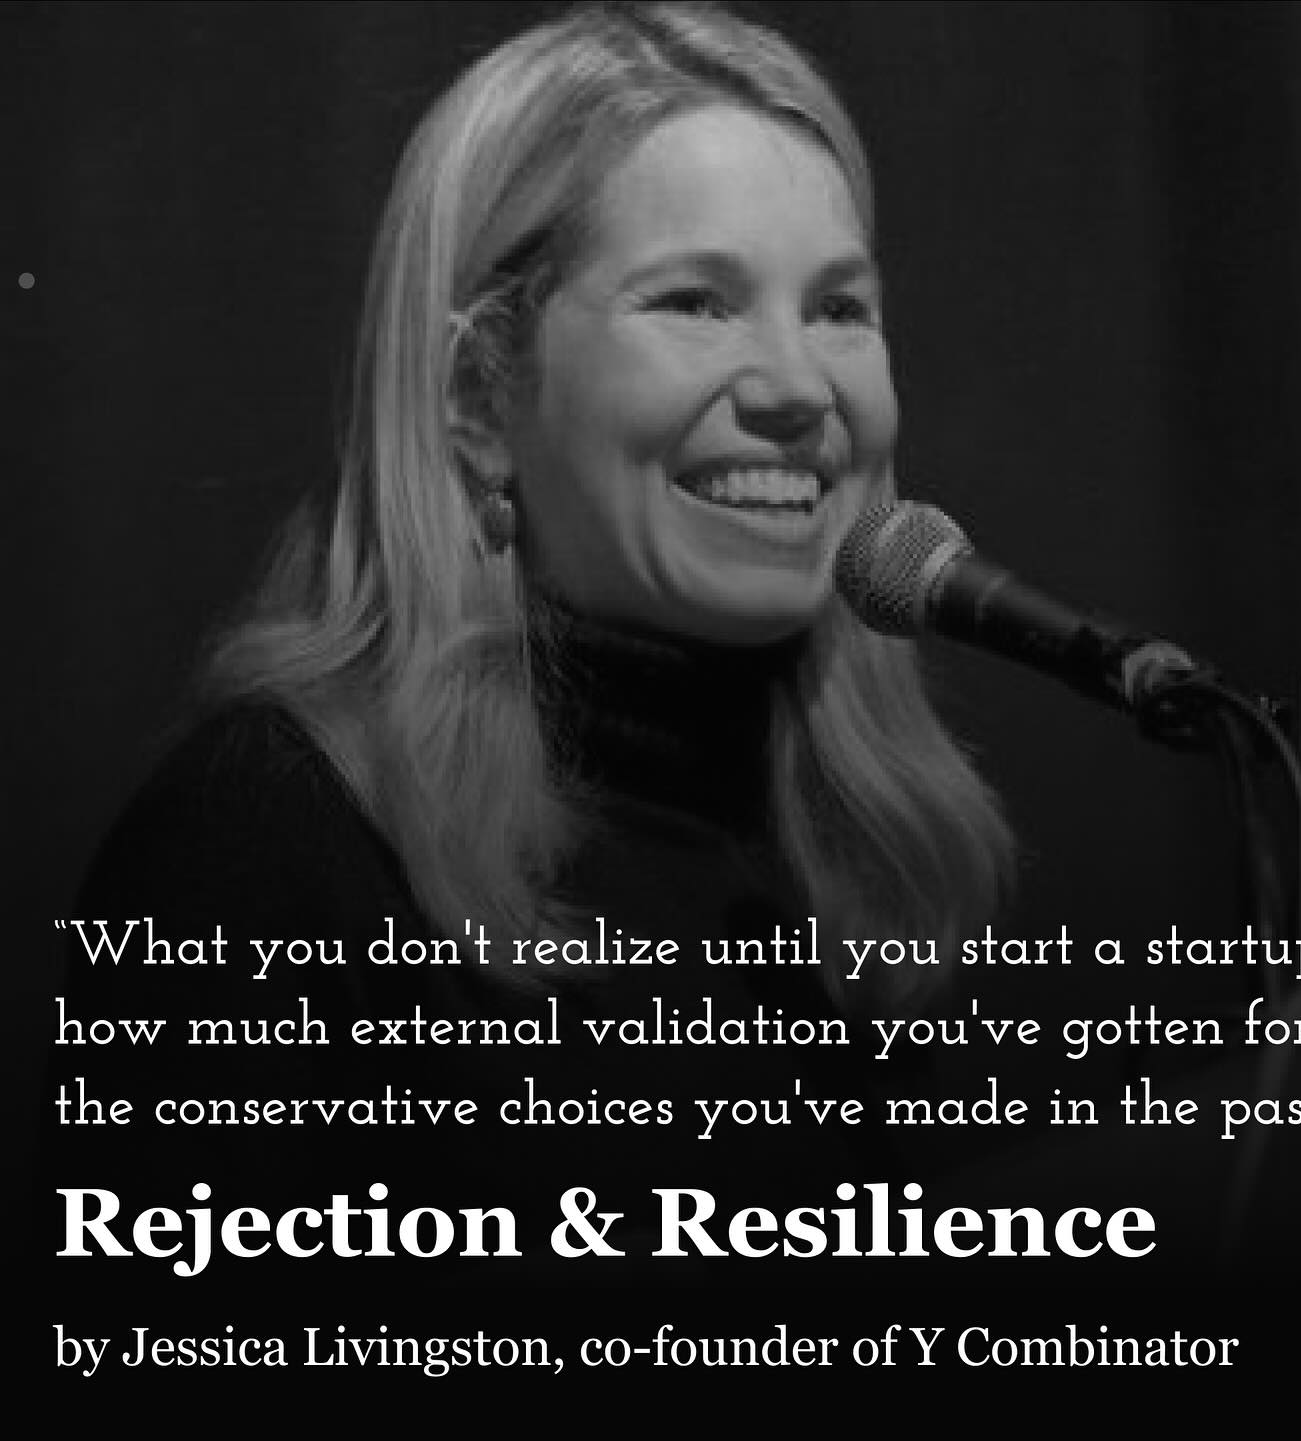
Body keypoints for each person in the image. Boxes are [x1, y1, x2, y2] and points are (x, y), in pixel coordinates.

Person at [48, 1, 1012, 1294]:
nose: (798, 387)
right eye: (698, 301)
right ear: (480, 398)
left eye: (839, 307)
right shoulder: (267, 848)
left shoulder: (860, 858)